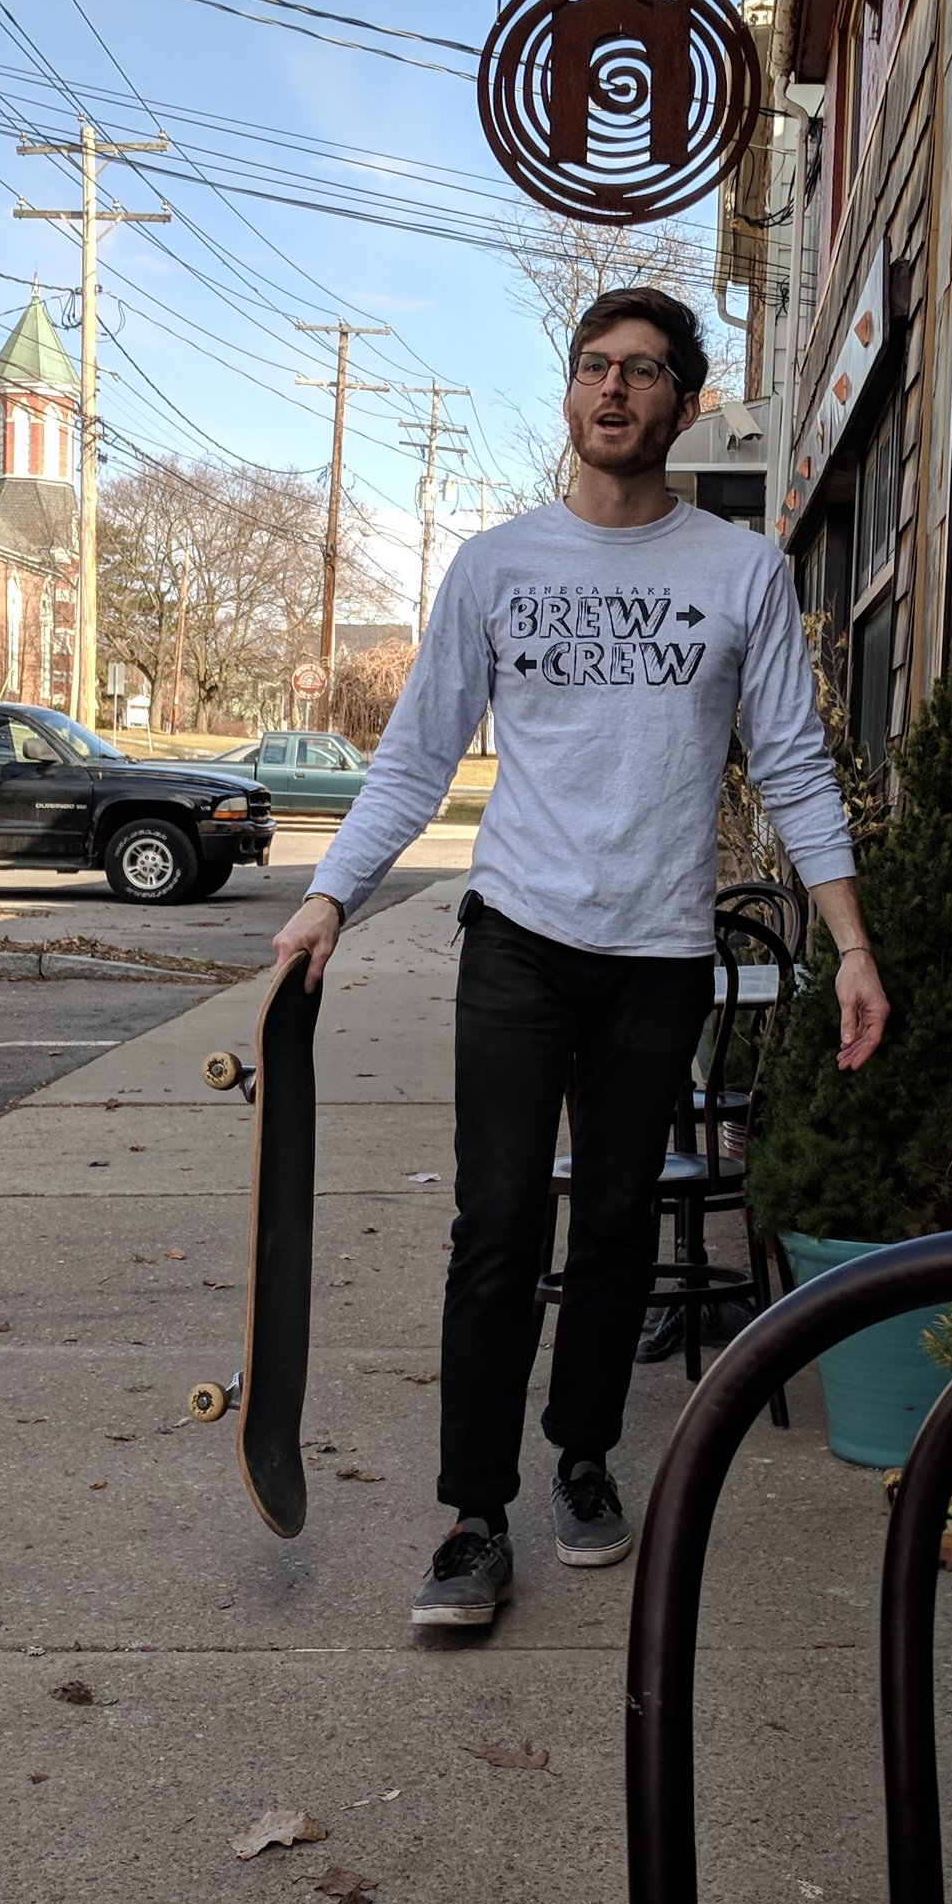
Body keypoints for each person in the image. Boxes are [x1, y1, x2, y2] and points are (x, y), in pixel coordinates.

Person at [270, 287, 887, 1632]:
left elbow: (790, 761)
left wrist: (850, 942)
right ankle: (473, 1514)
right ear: (569, 392)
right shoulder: (497, 565)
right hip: (518, 945)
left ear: (684, 402)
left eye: (644, 371)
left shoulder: (742, 574)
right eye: (594, 367)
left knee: (611, 1230)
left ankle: (586, 1452)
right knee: (496, 1228)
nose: (614, 389)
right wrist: (329, 897)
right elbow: (418, 753)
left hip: (658, 958)